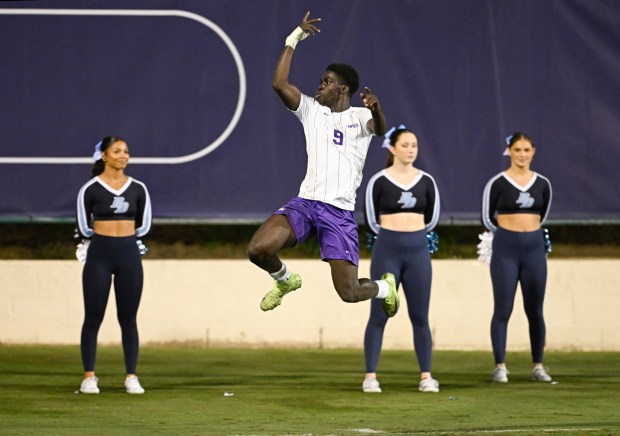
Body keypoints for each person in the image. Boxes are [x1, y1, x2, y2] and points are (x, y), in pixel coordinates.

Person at [247, 11, 399, 316]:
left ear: (343, 89)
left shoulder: (360, 116)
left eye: (326, 82)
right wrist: (294, 38)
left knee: (349, 292)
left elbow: (381, 129)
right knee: (258, 249)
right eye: (320, 81)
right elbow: (279, 83)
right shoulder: (311, 111)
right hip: (306, 204)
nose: (319, 86)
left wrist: (378, 108)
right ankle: (285, 280)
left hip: (338, 212)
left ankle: (385, 288)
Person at [362, 126, 441, 393]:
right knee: (378, 316)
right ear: (392, 148)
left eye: (414, 145)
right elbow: (371, 219)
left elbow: (432, 218)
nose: (410, 150)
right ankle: (370, 376)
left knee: (420, 316)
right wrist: (392, 238)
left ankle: (426, 377)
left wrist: (413, 237)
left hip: (418, 251)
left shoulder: (427, 181)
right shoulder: (379, 180)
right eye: (405, 145)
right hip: (387, 252)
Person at [75, 136, 152, 394]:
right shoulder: (90, 189)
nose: (123, 155)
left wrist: (127, 242)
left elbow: (144, 225)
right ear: (104, 156)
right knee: (93, 317)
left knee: (128, 318)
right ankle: (89, 377)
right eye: (117, 151)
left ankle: (131, 376)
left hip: (128, 255)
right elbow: (84, 227)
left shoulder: (138, 188)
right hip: (99, 255)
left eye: (126, 151)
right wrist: (100, 243)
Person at [481, 132, 553, 383]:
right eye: (517, 150)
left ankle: (538, 365)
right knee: (503, 308)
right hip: (506, 249)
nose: (522, 154)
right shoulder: (497, 183)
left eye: (526, 150)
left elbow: (542, 215)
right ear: (509, 152)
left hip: (534, 248)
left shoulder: (543, 183)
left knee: (535, 309)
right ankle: (500, 365)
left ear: (533, 152)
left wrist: (528, 234)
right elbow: (486, 217)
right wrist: (507, 235)